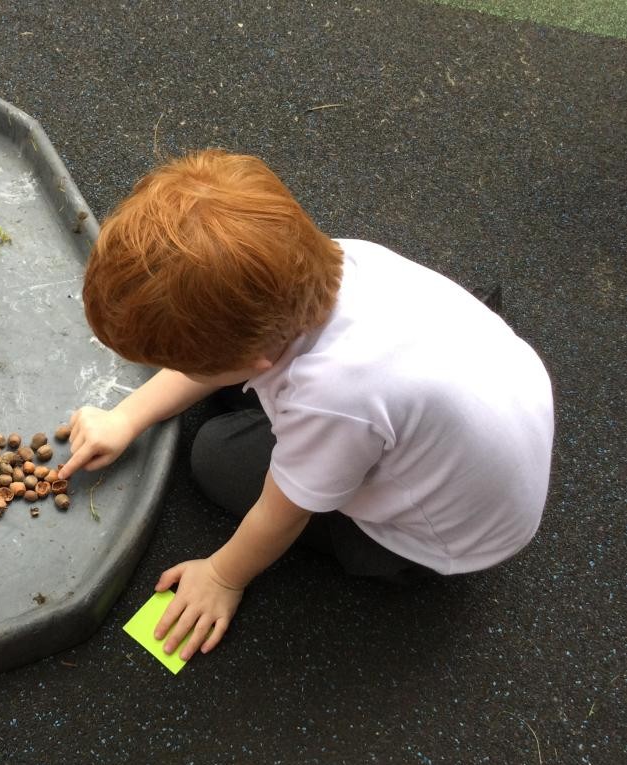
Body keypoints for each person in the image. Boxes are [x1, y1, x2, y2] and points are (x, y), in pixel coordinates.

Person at [57, 150, 554, 662]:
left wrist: (224, 575)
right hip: (479, 402)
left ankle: (374, 540)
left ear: (258, 358)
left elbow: (281, 515)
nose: (167, 367)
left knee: (214, 454)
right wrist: (127, 416)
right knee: (233, 391)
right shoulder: (336, 261)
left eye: (181, 362)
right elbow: (243, 360)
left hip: (439, 538)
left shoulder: (335, 399)